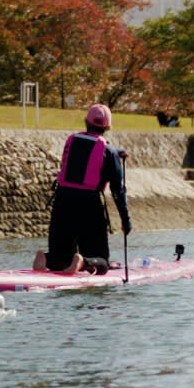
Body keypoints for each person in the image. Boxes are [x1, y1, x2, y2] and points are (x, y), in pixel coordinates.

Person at [40, 103, 132, 274]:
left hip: (62, 200)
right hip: (88, 204)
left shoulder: (72, 141)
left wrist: (115, 152)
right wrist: (125, 221)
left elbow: (88, 152)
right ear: (108, 127)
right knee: (101, 262)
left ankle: (46, 259)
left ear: (86, 122)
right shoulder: (109, 152)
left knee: (61, 259)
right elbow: (118, 191)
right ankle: (83, 262)